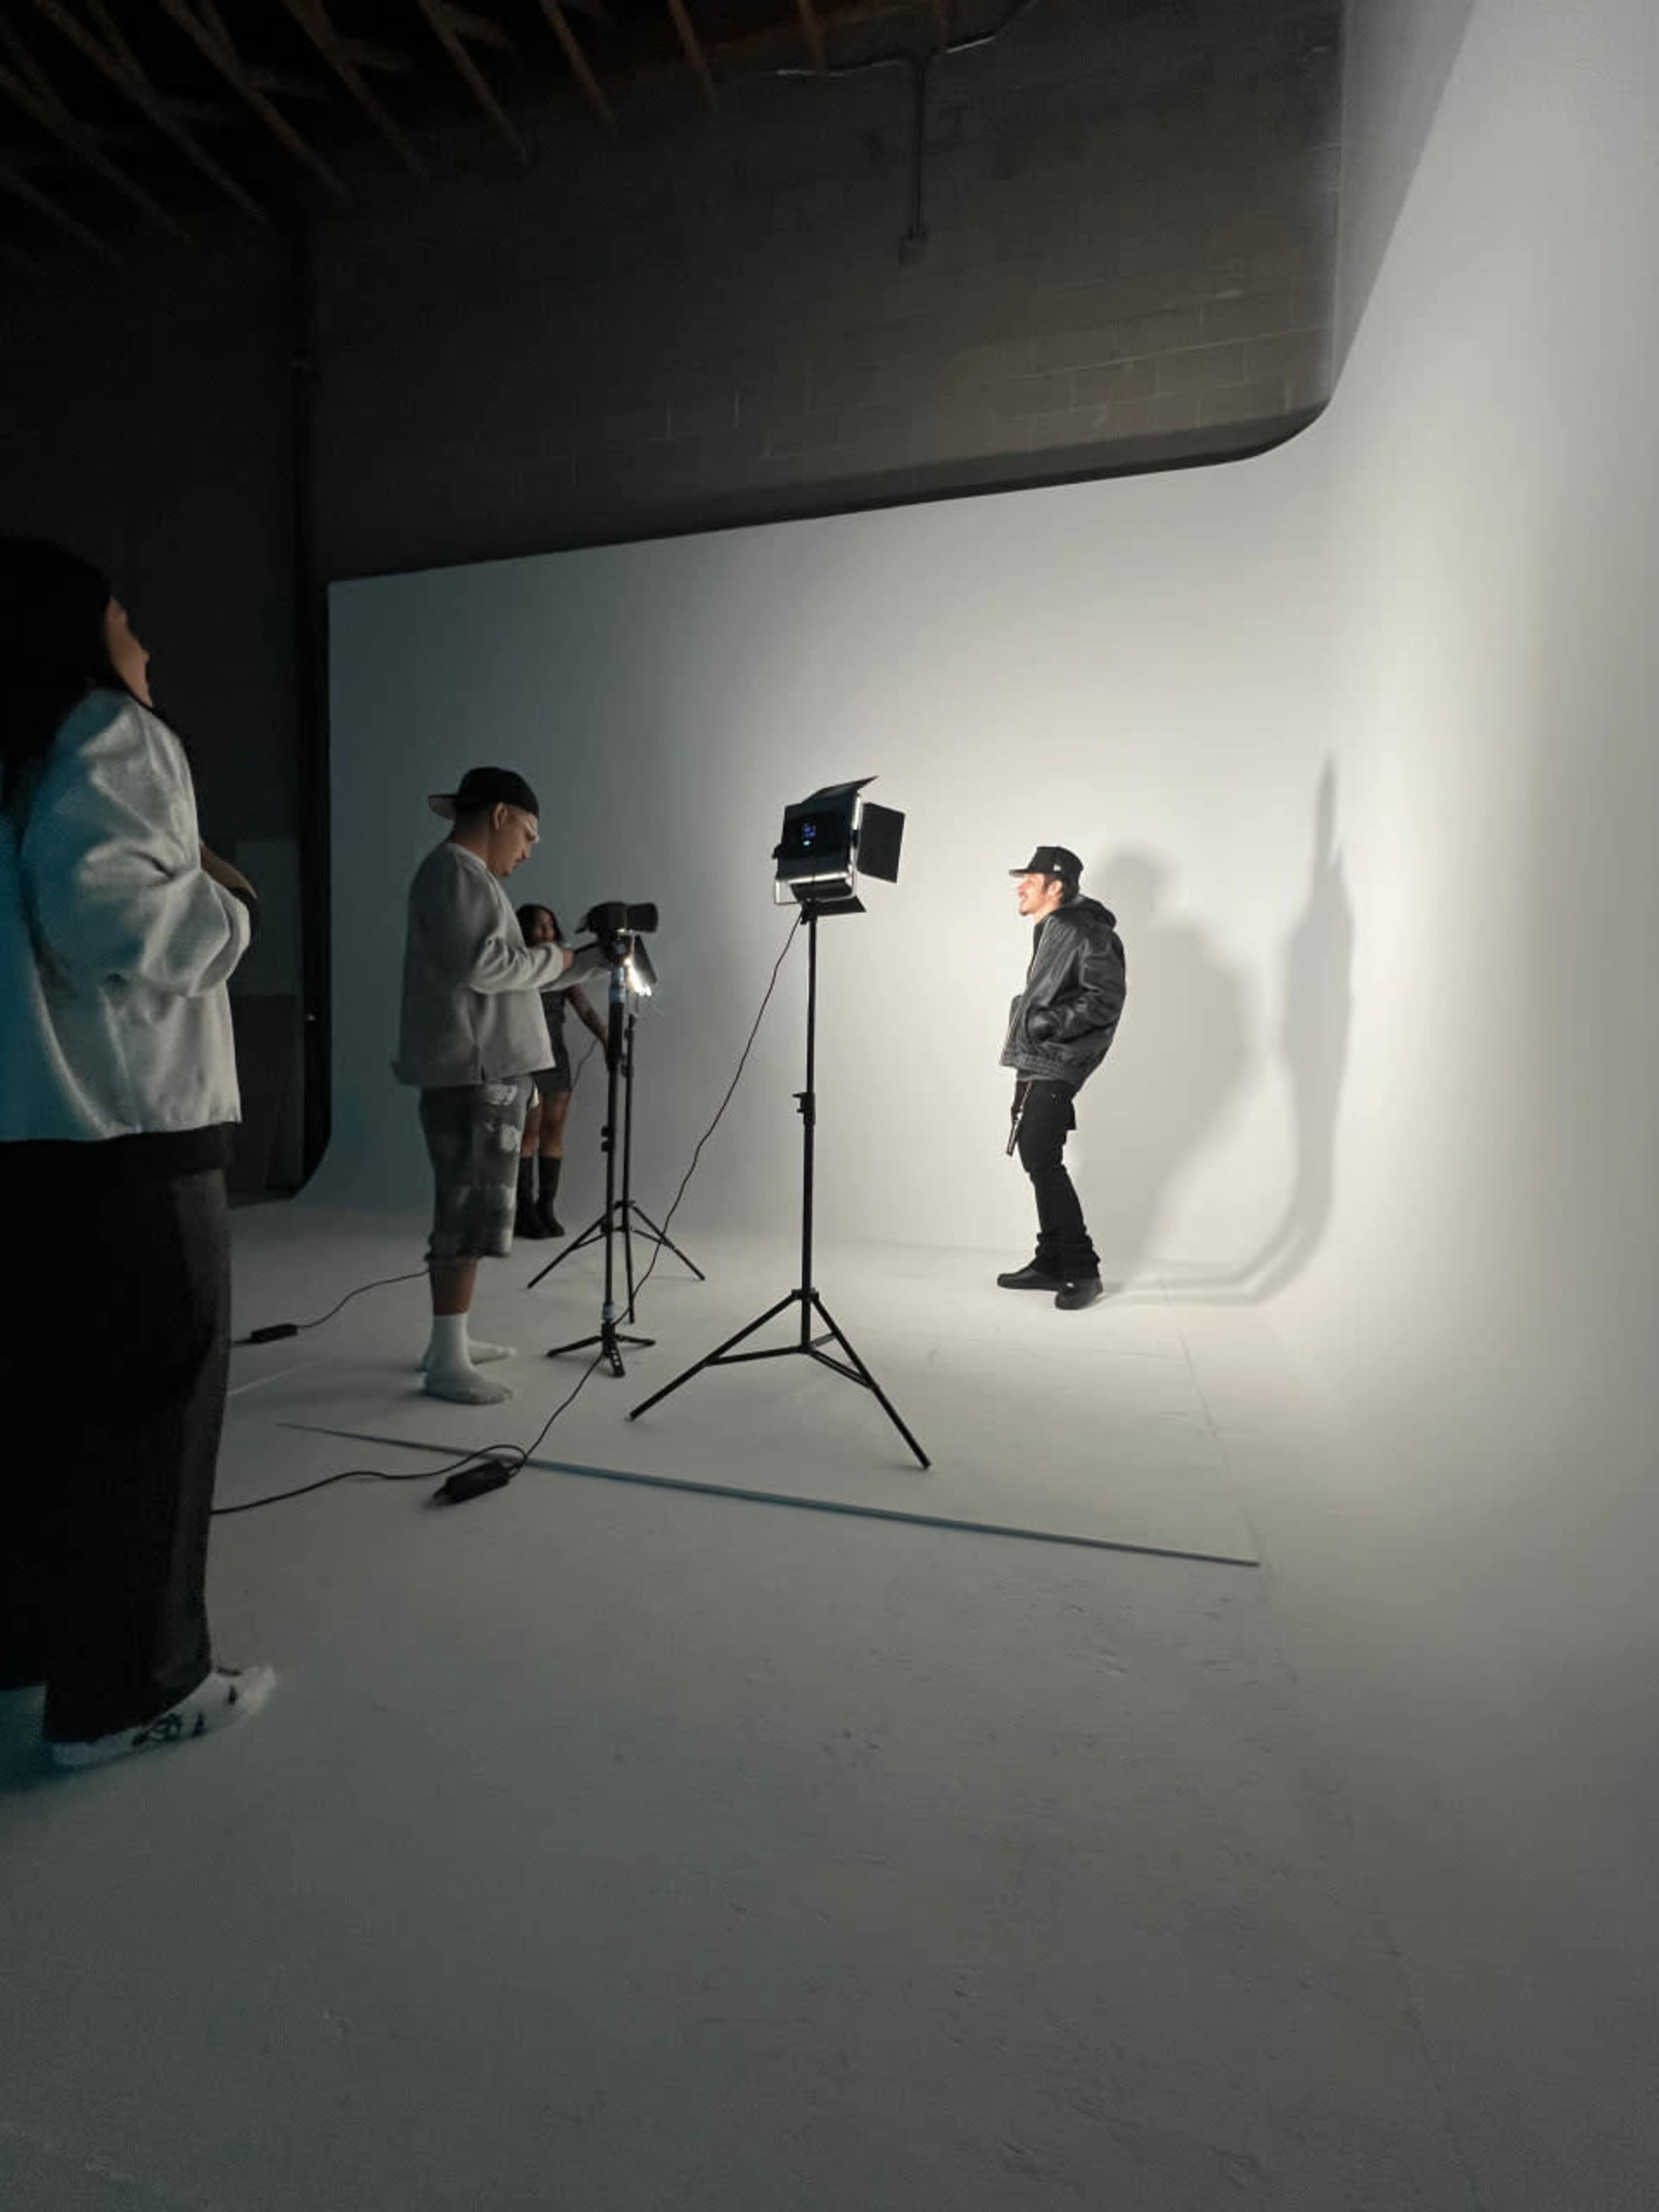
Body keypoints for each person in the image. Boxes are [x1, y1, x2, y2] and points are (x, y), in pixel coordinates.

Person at [0, 538, 276, 1769]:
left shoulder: (14, 753)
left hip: (28, 1140)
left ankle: (34, 1665)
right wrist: (231, 911)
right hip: (132, 1135)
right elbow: (111, 910)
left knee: (43, 1422)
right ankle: (133, 1690)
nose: (145, 647)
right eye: (126, 620)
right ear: (74, 632)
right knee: (157, 1417)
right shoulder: (109, 732)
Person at [394, 766, 605, 1405]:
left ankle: (447, 1343)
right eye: (530, 834)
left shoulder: (469, 878)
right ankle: (447, 1363)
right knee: (463, 1215)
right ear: (500, 816)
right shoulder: (455, 872)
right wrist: (568, 959)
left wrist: (587, 961)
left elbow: (510, 973)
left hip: (485, 1072)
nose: (530, 848)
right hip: (472, 1075)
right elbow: (486, 967)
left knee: (476, 1213)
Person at [998, 844, 1127, 1311]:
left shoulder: (1083, 930)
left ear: (1057, 885)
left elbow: (1104, 999)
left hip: (1056, 1060)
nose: (1021, 885)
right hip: (1038, 1061)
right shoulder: (1054, 929)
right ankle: (1051, 1259)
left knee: (1044, 1162)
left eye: (1030, 879)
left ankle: (1082, 1268)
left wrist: (1048, 1023)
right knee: (1037, 1158)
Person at [513, 902, 608, 1240]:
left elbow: (584, 1008)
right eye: (538, 926)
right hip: (528, 1060)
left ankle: (546, 1207)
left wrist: (607, 1037)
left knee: (553, 1131)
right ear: (523, 929)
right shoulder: (517, 968)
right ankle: (522, 1210)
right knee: (529, 1133)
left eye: (550, 926)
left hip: (558, 1059)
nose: (546, 932)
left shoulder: (563, 972)